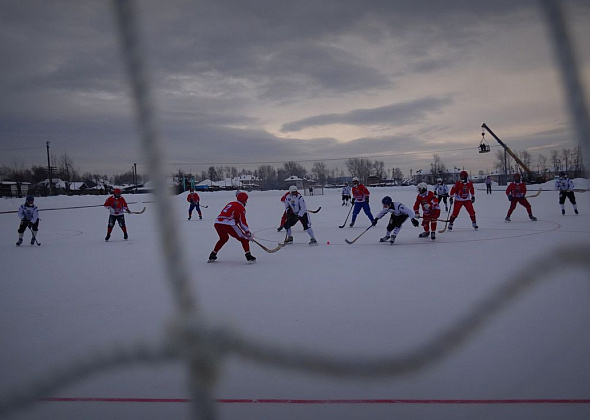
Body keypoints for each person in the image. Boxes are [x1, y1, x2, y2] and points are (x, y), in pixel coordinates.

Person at [209, 192, 256, 262]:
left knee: (223, 238)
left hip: (217, 223)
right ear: (244, 200)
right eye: (246, 200)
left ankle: (212, 255)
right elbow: (242, 222)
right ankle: (249, 257)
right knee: (244, 239)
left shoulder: (231, 203)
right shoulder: (241, 207)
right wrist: (247, 233)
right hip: (228, 223)